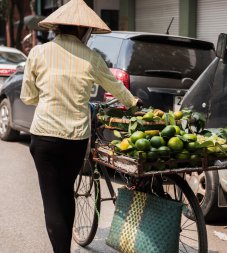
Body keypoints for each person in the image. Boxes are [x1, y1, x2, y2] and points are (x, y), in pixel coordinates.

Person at [20, 0, 140, 252]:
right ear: (83, 31)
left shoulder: (38, 53)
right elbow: (116, 87)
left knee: (52, 198)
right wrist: (134, 104)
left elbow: (28, 97)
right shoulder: (91, 57)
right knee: (66, 192)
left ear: (58, 27)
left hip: (44, 138)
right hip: (74, 141)